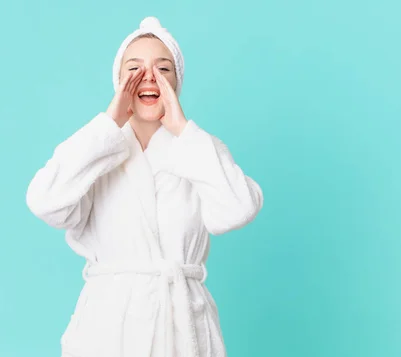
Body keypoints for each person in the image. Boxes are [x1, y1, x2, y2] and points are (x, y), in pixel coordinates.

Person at [26, 16, 264, 357]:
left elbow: (239, 207)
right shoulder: (95, 153)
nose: (149, 76)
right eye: (134, 68)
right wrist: (109, 124)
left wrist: (183, 130)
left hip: (184, 330)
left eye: (163, 69)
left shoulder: (198, 150)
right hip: (107, 332)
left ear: (177, 83)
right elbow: (44, 200)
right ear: (118, 82)